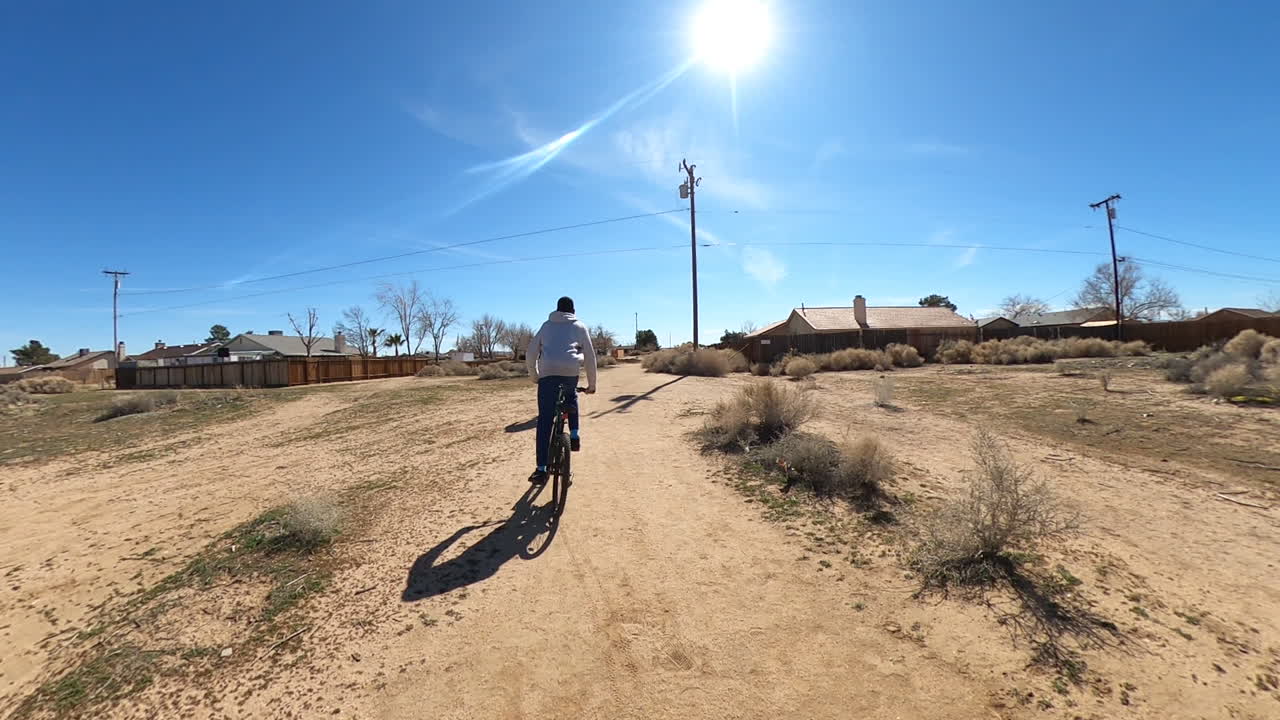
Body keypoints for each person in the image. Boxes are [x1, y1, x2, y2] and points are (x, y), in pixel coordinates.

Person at [525, 296, 597, 484]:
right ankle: (574, 435)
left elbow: (531, 354)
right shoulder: (579, 326)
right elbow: (590, 357)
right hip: (570, 372)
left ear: (557, 310)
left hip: (547, 374)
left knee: (545, 420)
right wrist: (592, 385)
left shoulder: (546, 326)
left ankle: (541, 469)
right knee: (571, 395)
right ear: (573, 311)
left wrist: (535, 377)